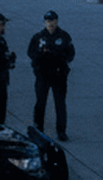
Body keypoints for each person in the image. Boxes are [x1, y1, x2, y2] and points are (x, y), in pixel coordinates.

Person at [28, 9, 75, 140]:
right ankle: (39, 128)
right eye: (48, 21)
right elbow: (31, 53)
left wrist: (58, 57)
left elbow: (70, 54)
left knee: (60, 103)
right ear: (44, 22)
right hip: (43, 75)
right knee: (40, 102)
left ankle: (61, 130)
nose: (50, 24)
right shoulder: (38, 37)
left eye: (53, 21)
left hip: (58, 75)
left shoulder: (64, 36)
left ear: (57, 21)